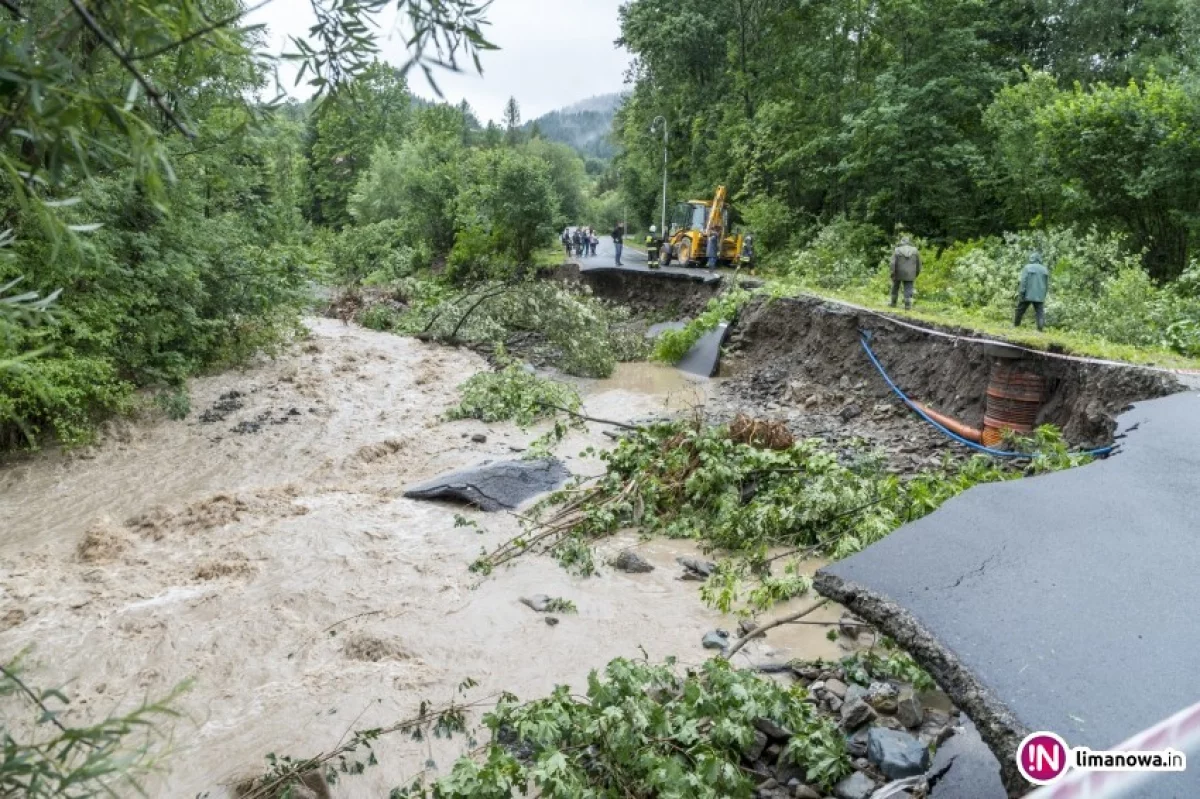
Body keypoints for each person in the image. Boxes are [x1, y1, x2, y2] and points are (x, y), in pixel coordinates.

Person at [1015, 251, 1050, 331]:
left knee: (1020, 310)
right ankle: (1040, 329)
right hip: (1040, 295)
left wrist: (1022, 293)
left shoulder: (1027, 267)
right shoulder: (1044, 269)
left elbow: (1023, 282)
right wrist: (1043, 295)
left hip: (1027, 294)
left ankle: (1016, 326)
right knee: (1040, 313)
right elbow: (1046, 284)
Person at [889, 236, 921, 310]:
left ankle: (893, 303)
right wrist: (916, 273)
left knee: (895, 287)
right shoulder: (915, 250)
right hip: (910, 273)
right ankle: (908, 306)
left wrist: (892, 273)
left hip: (898, 272)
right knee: (908, 289)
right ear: (909, 242)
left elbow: (892, 263)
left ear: (901, 242)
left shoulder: (897, 250)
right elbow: (919, 264)